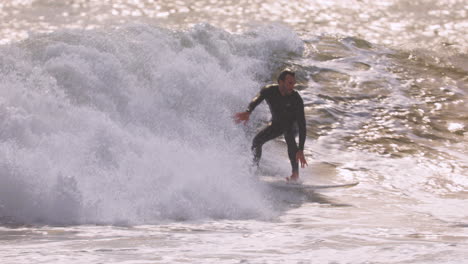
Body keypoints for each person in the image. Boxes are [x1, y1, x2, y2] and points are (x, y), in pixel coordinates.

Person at [234, 70, 308, 181]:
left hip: (293, 127)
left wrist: (301, 149)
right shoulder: (269, 91)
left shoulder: (296, 99)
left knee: (289, 135)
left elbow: (302, 125)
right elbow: (257, 99)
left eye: (293, 83)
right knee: (256, 141)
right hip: (277, 124)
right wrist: (248, 111)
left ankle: (295, 174)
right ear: (280, 82)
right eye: (289, 83)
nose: (292, 86)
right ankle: (254, 169)